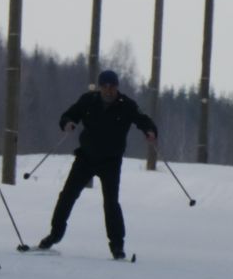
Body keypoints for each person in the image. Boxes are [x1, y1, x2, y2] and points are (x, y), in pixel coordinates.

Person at [35, 70, 157, 259]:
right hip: (86, 158)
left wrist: (150, 131)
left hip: (110, 161)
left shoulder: (127, 105)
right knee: (67, 195)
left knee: (111, 203)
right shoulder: (88, 100)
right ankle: (54, 235)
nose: (108, 90)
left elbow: (144, 120)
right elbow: (68, 115)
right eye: (105, 86)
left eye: (112, 86)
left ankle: (117, 246)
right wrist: (67, 123)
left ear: (117, 87)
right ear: (100, 87)